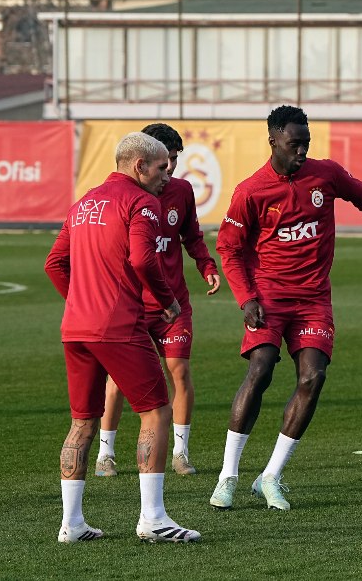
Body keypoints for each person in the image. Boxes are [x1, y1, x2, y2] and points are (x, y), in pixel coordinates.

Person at [208, 105, 362, 511]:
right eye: (294, 144)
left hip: (313, 299)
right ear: (273, 141)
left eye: (306, 143)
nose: (302, 151)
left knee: (313, 377)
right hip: (268, 296)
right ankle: (228, 475)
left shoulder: (325, 174)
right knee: (261, 368)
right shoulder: (251, 191)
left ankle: (271, 476)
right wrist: (246, 298)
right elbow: (228, 247)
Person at [45, 132, 199, 543]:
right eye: (162, 167)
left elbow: (54, 263)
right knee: (156, 412)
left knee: (82, 421)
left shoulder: (83, 203)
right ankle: (153, 518)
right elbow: (143, 259)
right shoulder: (141, 202)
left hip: (75, 328)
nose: (167, 175)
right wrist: (167, 301)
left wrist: (80, 302)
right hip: (118, 325)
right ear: (139, 166)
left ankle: (71, 524)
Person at [95, 123, 222, 479]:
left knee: (179, 371)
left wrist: (206, 265)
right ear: (145, 162)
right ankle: (106, 453)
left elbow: (192, 236)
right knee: (118, 379)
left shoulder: (181, 191)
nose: (171, 169)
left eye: (175, 160)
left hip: (174, 305)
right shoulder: (125, 197)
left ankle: (181, 451)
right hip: (132, 304)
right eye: (165, 162)